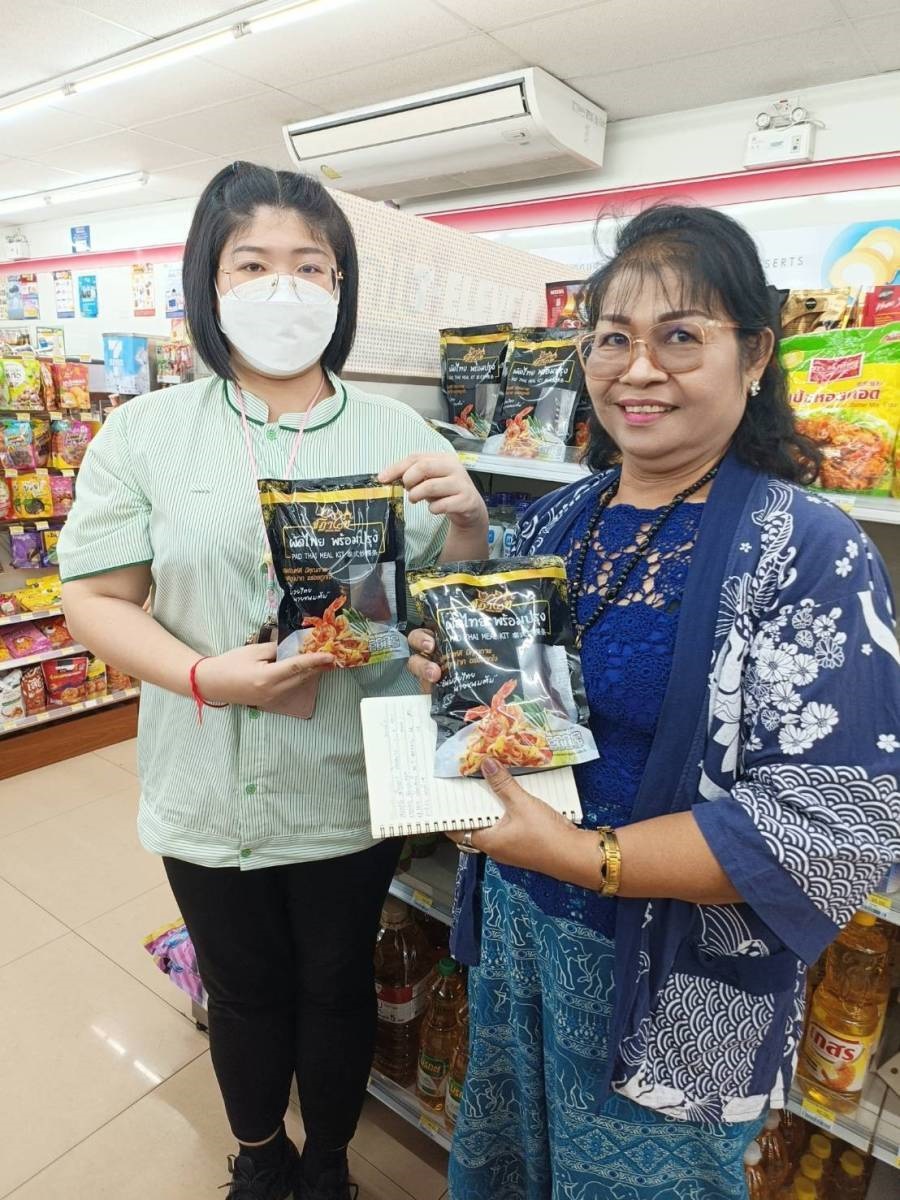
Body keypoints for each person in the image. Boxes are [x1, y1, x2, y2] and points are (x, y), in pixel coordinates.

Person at [409, 204, 900, 1199]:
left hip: (684, 980)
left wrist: (580, 855)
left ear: (754, 355)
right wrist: (461, 677)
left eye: (680, 336)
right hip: (522, 930)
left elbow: (836, 830)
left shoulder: (810, 549)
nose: (638, 370)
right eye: (613, 338)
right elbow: (519, 707)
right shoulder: (558, 516)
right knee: (515, 1167)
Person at [58, 162, 487, 1200]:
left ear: (342, 288)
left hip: (347, 782)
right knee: (244, 989)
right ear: (208, 283)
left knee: (336, 981)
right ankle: (260, 1158)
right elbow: (96, 600)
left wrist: (471, 526)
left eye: (312, 266)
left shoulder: (401, 435)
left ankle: (329, 1164)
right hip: (206, 777)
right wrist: (204, 674)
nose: (284, 287)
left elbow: (456, 615)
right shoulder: (146, 434)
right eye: (252, 265)